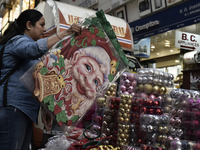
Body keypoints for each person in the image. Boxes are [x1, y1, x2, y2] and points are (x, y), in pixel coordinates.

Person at [0, 9, 82, 150]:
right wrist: (65, 33)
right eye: (42, 24)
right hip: (13, 107)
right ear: (29, 25)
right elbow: (33, 49)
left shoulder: (31, 46)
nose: (44, 29)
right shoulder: (18, 41)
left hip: (25, 109)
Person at [36, 26, 119, 131]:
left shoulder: (96, 101)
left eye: (96, 81)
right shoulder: (56, 72)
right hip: (55, 132)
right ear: (75, 57)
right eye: (88, 67)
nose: (88, 81)